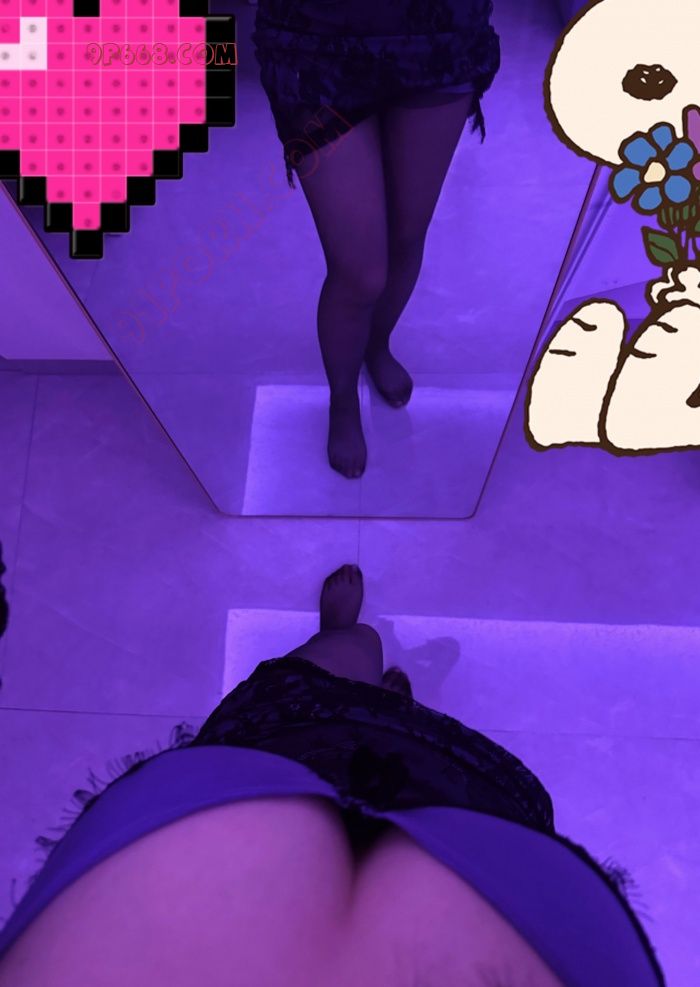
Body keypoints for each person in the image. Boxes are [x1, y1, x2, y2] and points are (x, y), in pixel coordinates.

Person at [0, 548, 665, 986]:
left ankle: (361, 662)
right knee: (366, 664)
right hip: (463, 792)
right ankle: (389, 695)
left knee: (352, 649)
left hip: (279, 736)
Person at [251, 1, 502, 478]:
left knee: (406, 234)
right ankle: (342, 398)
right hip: (315, 38)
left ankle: (377, 344)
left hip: (438, 31)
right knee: (360, 272)